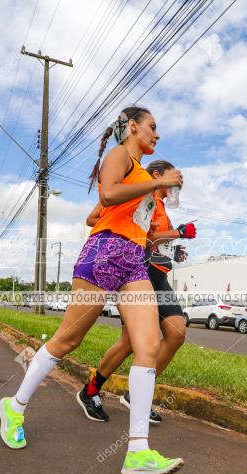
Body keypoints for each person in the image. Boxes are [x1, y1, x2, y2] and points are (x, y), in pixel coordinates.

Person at [0, 106, 185, 474]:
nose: (157, 134)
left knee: (147, 345)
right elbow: (109, 193)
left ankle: (138, 452)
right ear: (133, 127)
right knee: (68, 340)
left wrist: (169, 238)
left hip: (133, 261)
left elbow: (137, 225)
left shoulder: (145, 177)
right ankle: (14, 407)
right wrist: (155, 184)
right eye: (152, 127)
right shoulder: (119, 156)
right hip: (102, 256)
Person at [75, 159, 196, 424]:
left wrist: (175, 246)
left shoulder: (161, 205)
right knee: (130, 342)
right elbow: (94, 217)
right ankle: (91, 390)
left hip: (158, 275)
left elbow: (154, 239)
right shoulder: (139, 191)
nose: (176, 184)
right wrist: (178, 232)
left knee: (176, 333)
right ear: (156, 175)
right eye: (173, 178)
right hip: (136, 272)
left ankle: (136, 394)